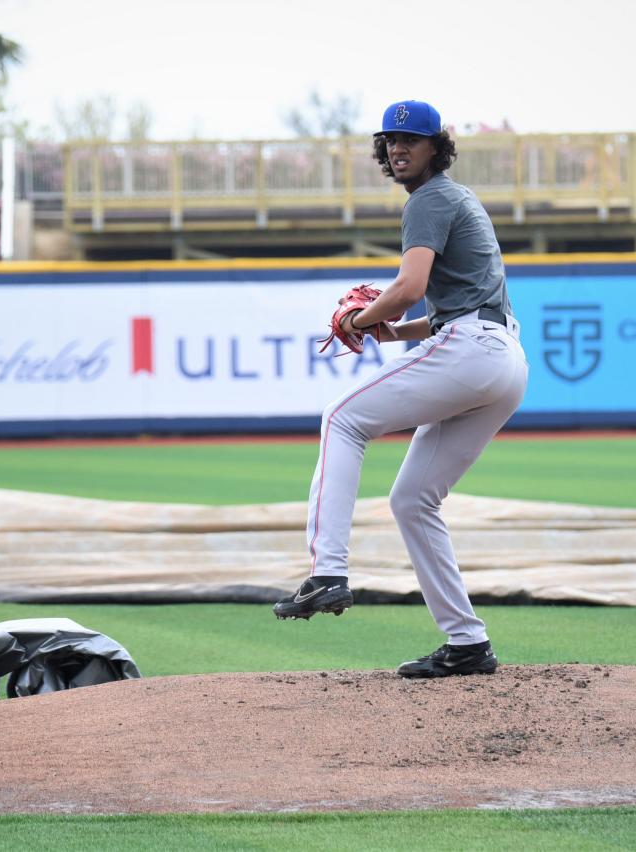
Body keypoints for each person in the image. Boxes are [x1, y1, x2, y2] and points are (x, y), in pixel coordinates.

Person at [274, 101, 529, 679]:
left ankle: (328, 573)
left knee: (342, 417)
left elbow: (410, 287)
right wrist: (388, 332)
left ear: (437, 148)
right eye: (390, 139)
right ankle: (467, 642)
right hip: (503, 357)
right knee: (412, 500)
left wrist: (356, 322)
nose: (398, 148)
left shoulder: (430, 198)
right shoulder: (460, 198)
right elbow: (444, 309)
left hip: (473, 350)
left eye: (411, 139)